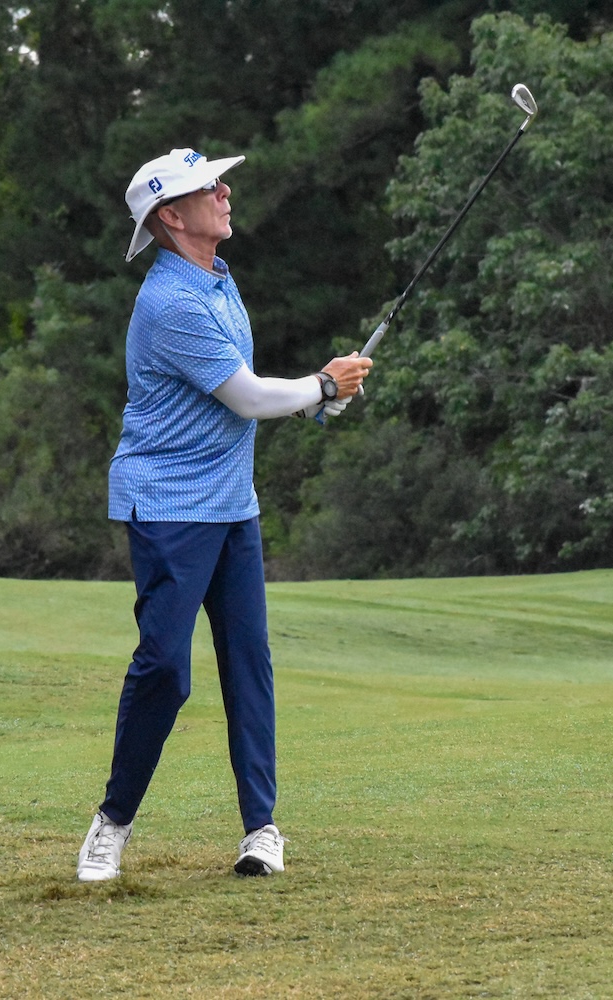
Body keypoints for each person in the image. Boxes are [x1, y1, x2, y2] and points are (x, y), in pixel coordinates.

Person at [76, 147, 372, 881]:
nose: (225, 190)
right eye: (208, 187)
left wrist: (313, 399)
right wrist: (320, 387)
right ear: (172, 217)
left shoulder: (219, 280)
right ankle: (112, 823)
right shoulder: (169, 301)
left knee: (248, 665)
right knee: (165, 670)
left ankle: (261, 828)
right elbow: (246, 397)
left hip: (233, 505)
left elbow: (240, 398)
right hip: (169, 507)